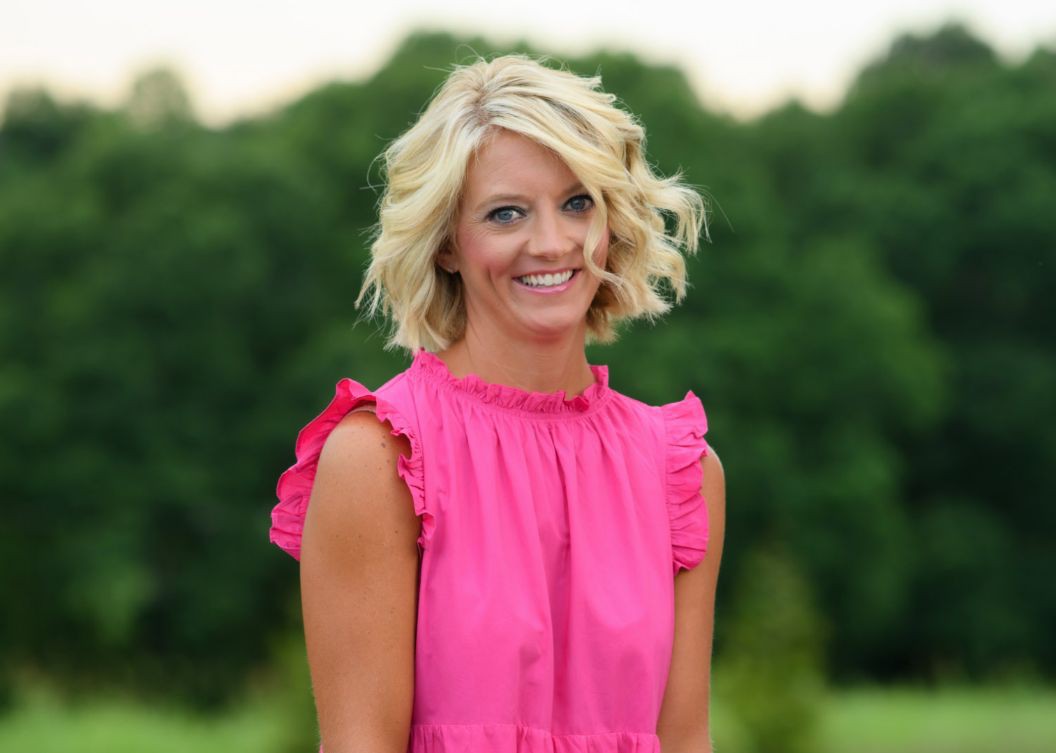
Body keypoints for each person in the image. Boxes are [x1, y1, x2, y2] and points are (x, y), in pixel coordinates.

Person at [270, 54, 726, 753]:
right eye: (506, 212)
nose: (551, 242)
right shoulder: (382, 457)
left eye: (578, 202)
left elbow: (686, 740)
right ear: (448, 243)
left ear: (610, 219)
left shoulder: (681, 474)